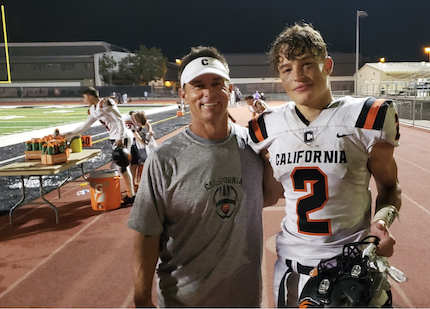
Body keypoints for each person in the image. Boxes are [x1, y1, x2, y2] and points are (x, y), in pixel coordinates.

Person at [248, 23, 402, 307]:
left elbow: (390, 186)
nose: (298, 76)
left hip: (351, 266)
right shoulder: (267, 128)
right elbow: (269, 194)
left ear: (327, 65)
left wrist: (382, 221)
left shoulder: (366, 117)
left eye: (307, 64)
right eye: (287, 69)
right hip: (292, 270)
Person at [127, 46, 282, 307]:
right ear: (183, 94)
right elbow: (146, 232)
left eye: (216, 83)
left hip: (244, 299)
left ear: (229, 89)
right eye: (197, 85)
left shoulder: (254, 145)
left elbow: (268, 197)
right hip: (185, 301)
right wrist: (142, 298)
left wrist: (272, 159)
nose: (208, 93)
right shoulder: (165, 159)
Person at [61, 87, 136, 205]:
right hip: (114, 137)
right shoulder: (93, 109)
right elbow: (83, 127)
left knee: (123, 167)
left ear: (90, 96)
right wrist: (66, 135)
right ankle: (129, 194)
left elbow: (119, 119)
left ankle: (131, 195)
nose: (84, 100)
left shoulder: (105, 103)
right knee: (122, 168)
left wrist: (120, 137)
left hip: (123, 137)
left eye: (85, 98)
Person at [124, 110, 153, 192]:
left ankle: (138, 182)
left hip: (136, 138)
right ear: (136, 121)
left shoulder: (139, 115)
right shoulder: (128, 121)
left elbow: (146, 123)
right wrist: (144, 144)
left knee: (141, 160)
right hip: (128, 139)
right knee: (134, 162)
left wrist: (150, 130)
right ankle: (132, 184)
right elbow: (135, 135)